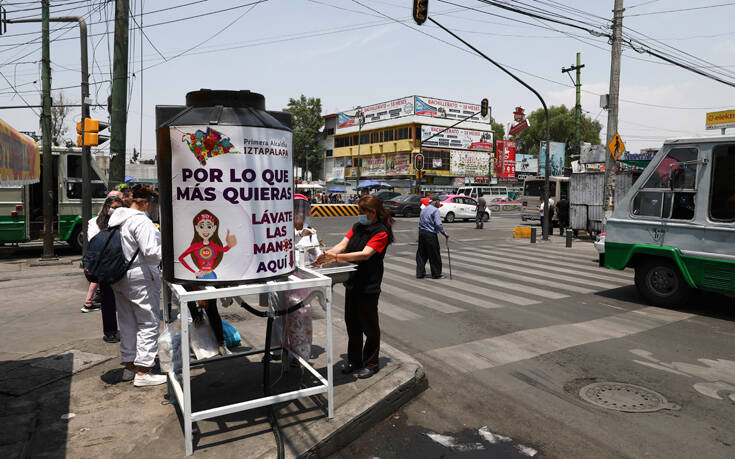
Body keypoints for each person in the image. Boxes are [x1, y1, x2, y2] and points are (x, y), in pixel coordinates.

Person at [315, 195, 393, 379]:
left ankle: (371, 363)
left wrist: (335, 258)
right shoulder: (358, 227)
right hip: (352, 281)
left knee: (370, 326)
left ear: (373, 212)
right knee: (352, 325)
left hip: (369, 285)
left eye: (362, 211)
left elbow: (365, 255)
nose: (360, 215)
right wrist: (325, 255)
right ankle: (354, 361)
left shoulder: (381, 231)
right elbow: (343, 245)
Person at [107, 185, 167, 387]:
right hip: (140, 276)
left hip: (119, 276)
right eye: (152, 204)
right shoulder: (141, 221)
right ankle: (144, 371)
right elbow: (151, 252)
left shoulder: (116, 219)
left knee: (127, 322)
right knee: (148, 322)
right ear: (144, 202)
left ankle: (129, 367)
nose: (152, 208)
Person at [270, 194, 321, 364]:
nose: (299, 213)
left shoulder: (311, 231)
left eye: (302, 209)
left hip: (301, 282)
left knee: (300, 316)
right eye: (296, 209)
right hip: (281, 278)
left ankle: (299, 351)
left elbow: (316, 254)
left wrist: (320, 256)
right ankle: (277, 349)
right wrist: (298, 235)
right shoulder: (281, 228)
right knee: (277, 316)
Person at [83, 191, 125, 343]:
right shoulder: (94, 222)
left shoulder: (125, 223)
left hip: (123, 266)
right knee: (108, 301)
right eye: (113, 207)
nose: (116, 210)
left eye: (120, 207)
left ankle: (127, 329)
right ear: (107, 207)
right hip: (106, 267)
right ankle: (110, 331)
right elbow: (94, 243)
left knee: (124, 301)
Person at [416, 196, 448, 279]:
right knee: (434, 255)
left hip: (422, 234)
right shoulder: (435, 210)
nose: (439, 204)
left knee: (421, 254)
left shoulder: (424, 209)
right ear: (435, 202)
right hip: (430, 235)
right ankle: (436, 274)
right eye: (439, 202)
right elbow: (438, 224)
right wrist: (444, 233)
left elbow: (420, 222)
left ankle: (420, 273)